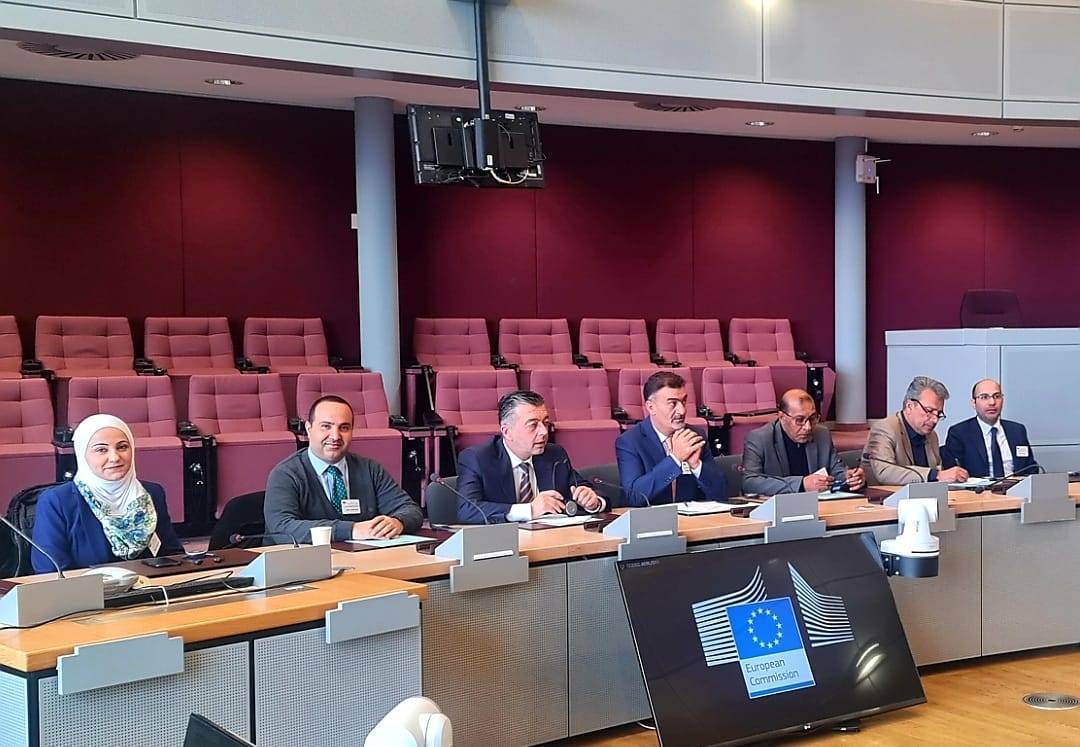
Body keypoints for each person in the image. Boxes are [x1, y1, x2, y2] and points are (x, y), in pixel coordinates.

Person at [31, 414, 184, 573]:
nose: (115, 457)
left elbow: (173, 556)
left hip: (151, 587)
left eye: (122, 447)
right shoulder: (56, 501)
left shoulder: (151, 493)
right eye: (101, 450)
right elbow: (50, 571)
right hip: (85, 588)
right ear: (82, 454)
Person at [264, 395, 423, 543]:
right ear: (309, 429)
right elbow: (281, 529)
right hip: (303, 561)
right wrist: (351, 530)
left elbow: (411, 510)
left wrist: (397, 522)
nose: (335, 436)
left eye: (344, 428)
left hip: (362, 558)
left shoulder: (370, 469)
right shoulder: (286, 474)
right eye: (326, 426)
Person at [455, 390, 605, 523]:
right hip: (504, 541)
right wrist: (530, 510)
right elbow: (467, 509)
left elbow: (584, 488)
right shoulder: (477, 459)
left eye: (545, 423)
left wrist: (593, 501)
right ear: (507, 432)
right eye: (533, 425)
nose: (544, 432)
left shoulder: (555, 454)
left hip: (552, 539)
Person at [615, 371, 727, 506]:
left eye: (683, 402)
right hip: (650, 517)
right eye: (673, 403)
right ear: (651, 407)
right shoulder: (630, 442)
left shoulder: (695, 435)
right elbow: (634, 497)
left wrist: (697, 466)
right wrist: (675, 459)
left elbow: (721, 493)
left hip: (691, 517)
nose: (682, 411)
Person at [742, 389, 865, 496]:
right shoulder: (760, 438)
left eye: (812, 418)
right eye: (799, 420)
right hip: (776, 508)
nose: (808, 427)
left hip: (820, 506)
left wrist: (850, 477)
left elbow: (836, 471)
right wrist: (801, 484)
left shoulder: (822, 434)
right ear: (782, 417)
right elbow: (749, 483)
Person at [862, 376, 969, 485]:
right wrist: (935, 475)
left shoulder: (932, 436)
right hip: (882, 494)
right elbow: (885, 472)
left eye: (939, 414)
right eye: (929, 411)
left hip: (921, 494)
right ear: (909, 406)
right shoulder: (885, 428)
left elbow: (938, 469)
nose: (935, 420)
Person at [942, 379, 1037, 479]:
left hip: (1017, 487)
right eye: (984, 397)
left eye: (997, 396)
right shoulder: (959, 433)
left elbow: (1031, 468)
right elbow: (953, 474)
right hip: (977, 489)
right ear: (974, 403)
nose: (992, 402)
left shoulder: (1017, 431)